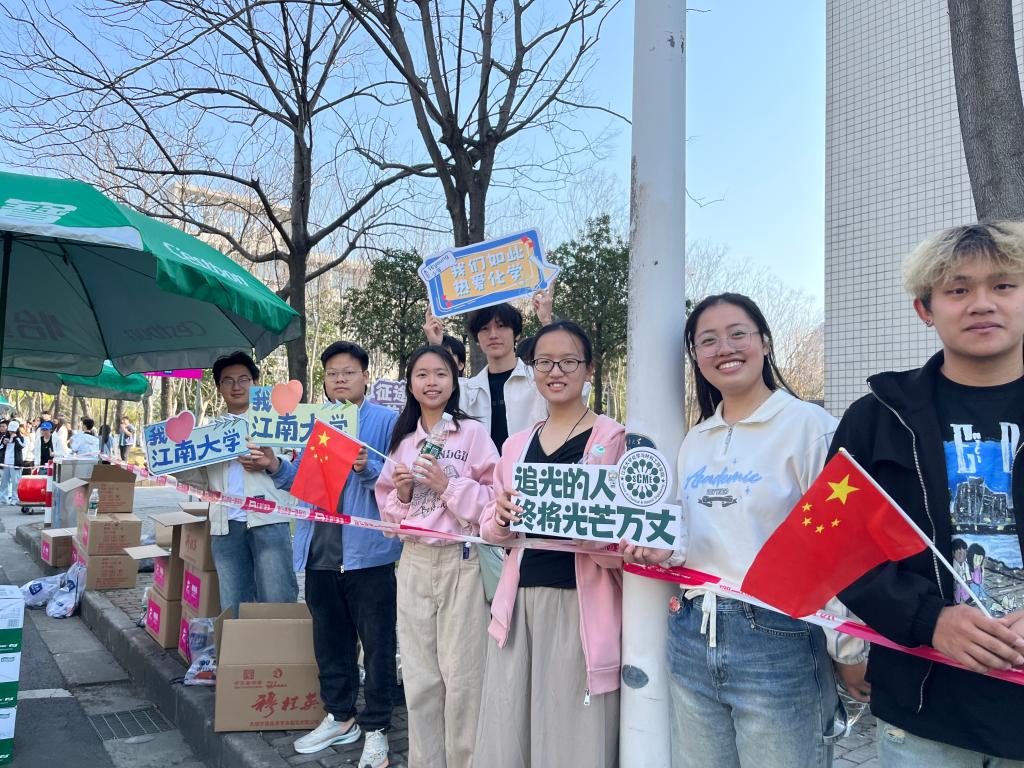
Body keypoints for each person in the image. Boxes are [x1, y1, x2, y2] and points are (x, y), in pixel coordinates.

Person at [622, 293, 865, 768]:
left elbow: (839, 546)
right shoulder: (695, 439)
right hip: (691, 633)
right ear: (696, 356)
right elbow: (694, 536)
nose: (725, 349)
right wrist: (663, 551)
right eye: (708, 341)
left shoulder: (810, 426)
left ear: (765, 343)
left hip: (780, 638)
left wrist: (849, 647)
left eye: (738, 334)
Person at [829, 222, 1024, 764]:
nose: (982, 303)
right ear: (925, 309)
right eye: (958, 289)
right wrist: (929, 620)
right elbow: (837, 546)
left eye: (1004, 285)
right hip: (923, 712)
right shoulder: (878, 418)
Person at [476, 320, 623, 767]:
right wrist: (500, 518)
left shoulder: (615, 439)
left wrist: (594, 533)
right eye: (544, 362)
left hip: (580, 608)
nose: (555, 371)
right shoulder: (516, 445)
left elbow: (627, 539)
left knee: (569, 736)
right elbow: (491, 528)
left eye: (568, 361)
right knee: (512, 729)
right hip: (518, 606)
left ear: (589, 368)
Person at [265, 341, 400, 768]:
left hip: (369, 557)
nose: (340, 380)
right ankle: (341, 717)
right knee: (330, 643)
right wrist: (274, 466)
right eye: (332, 374)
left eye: (348, 372)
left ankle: (377, 727)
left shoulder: (386, 422)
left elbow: (400, 483)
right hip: (320, 553)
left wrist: (367, 467)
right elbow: (304, 483)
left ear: (366, 376)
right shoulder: (315, 422)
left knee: (378, 647)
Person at [375, 345, 497, 768]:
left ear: (454, 381)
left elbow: (495, 503)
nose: (432, 382)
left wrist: (447, 485)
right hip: (412, 563)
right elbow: (389, 520)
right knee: (420, 678)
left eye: (441, 374)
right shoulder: (404, 442)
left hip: (461, 560)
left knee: (463, 677)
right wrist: (404, 494)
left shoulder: (473, 434)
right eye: (422, 374)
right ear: (410, 384)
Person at [175, 351, 298, 617]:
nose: (236, 386)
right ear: (219, 388)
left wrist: (271, 463)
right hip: (225, 526)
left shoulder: (277, 423)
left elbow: (294, 470)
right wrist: (177, 467)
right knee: (234, 604)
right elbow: (202, 483)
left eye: (243, 379)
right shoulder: (208, 434)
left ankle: (280, 646)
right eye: (228, 381)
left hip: (269, 521)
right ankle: (240, 646)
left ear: (255, 383)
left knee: (278, 599)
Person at [423, 286, 554, 451]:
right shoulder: (467, 390)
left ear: (517, 334)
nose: (493, 335)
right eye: (484, 328)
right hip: (479, 468)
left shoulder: (537, 381)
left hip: (527, 466)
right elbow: (434, 392)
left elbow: (574, 390)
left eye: (501, 326)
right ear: (477, 339)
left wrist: (546, 322)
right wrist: (435, 344)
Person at [0, 420, 23, 505]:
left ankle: (15, 499)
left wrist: (16, 438)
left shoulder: (20, 438)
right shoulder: (4, 437)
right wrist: (3, 443)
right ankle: (3, 499)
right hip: (5, 463)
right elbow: (0, 447)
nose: (11, 432)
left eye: (13, 431)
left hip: (15, 463)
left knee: (16, 482)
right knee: (4, 482)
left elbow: (22, 446)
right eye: (10, 430)